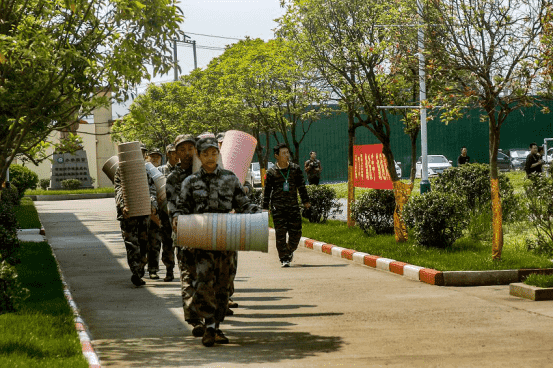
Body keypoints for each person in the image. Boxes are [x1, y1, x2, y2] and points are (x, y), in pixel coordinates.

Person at [175, 136, 260, 347]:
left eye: (214, 153)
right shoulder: (190, 182)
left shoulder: (230, 179)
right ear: (200, 156)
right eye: (206, 154)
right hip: (201, 243)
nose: (210, 157)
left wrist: (256, 214)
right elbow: (180, 208)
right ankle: (210, 327)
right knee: (204, 285)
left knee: (224, 285)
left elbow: (243, 204)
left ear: (218, 155)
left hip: (225, 241)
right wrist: (177, 220)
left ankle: (216, 325)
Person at [166, 134, 199, 326]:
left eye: (190, 148)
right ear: (176, 153)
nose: (187, 153)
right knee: (188, 275)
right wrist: (176, 219)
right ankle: (194, 318)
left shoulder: (204, 172)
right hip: (184, 232)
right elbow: (172, 204)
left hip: (207, 231)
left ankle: (210, 320)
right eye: (182, 150)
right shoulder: (173, 178)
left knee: (206, 278)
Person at [114, 143, 158, 287]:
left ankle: (140, 270)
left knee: (143, 243)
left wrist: (152, 204)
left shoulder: (146, 172)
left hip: (143, 213)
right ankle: (136, 273)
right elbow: (119, 189)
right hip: (128, 214)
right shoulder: (121, 170)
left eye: (142, 153)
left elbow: (151, 189)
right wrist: (123, 206)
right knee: (131, 244)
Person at [264, 143, 311, 267]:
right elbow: (267, 192)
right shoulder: (271, 172)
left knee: (296, 234)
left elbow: (301, 187)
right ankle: (284, 258)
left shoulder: (295, 169)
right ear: (276, 156)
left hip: (293, 207)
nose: (286, 155)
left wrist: (306, 202)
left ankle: (289, 250)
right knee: (280, 234)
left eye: (287, 153)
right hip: (277, 208)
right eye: (283, 153)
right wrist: (265, 207)